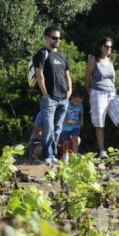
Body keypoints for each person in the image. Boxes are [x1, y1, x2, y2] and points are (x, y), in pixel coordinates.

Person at [84, 36, 119, 159]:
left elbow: (113, 78)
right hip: (98, 92)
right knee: (99, 122)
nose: (108, 49)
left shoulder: (111, 60)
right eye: (106, 46)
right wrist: (89, 90)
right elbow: (87, 77)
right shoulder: (94, 60)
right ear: (101, 47)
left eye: (110, 47)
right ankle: (102, 151)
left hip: (112, 93)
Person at [33, 26, 72, 166]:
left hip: (63, 98)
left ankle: (53, 154)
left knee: (57, 128)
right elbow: (39, 74)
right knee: (48, 127)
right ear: (47, 38)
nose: (57, 40)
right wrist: (44, 93)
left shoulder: (62, 56)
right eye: (54, 38)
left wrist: (70, 91)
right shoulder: (42, 53)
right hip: (49, 98)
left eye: (59, 38)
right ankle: (47, 156)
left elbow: (67, 75)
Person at [58, 91, 84, 161]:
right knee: (66, 142)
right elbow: (61, 114)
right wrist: (66, 121)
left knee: (75, 139)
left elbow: (81, 114)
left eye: (79, 102)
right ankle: (65, 154)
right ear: (72, 97)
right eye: (76, 101)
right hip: (65, 127)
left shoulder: (80, 106)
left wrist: (81, 120)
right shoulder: (66, 104)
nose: (77, 103)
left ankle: (74, 156)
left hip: (75, 126)